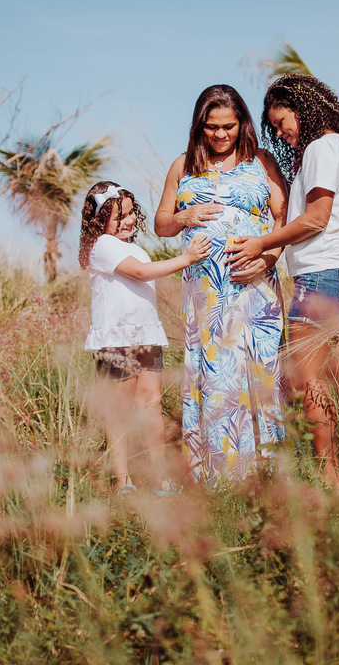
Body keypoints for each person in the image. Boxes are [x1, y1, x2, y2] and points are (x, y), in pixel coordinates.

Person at [225, 73, 339, 485]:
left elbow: (317, 218)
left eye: (281, 121)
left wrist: (262, 243)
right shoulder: (333, 146)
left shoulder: (321, 147)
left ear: (302, 109)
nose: (279, 132)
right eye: (272, 126)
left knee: (310, 381)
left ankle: (328, 473)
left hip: (322, 276)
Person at [154, 85, 289, 483]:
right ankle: (221, 475)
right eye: (211, 127)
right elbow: (161, 223)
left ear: (241, 123)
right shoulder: (183, 165)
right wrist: (184, 216)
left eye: (228, 126)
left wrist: (267, 259)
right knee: (216, 373)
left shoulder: (260, 161)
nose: (220, 134)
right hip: (207, 293)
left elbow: (282, 218)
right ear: (200, 125)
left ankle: (269, 473)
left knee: (261, 371)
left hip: (256, 286)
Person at [81, 180, 211, 495]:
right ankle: (122, 480)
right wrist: (186, 259)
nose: (128, 221)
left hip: (146, 333)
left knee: (151, 404)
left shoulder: (135, 248)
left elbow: (144, 272)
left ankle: (160, 477)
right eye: (119, 216)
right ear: (100, 221)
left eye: (130, 213)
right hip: (118, 338)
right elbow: (140, 273)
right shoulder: (102, 245)